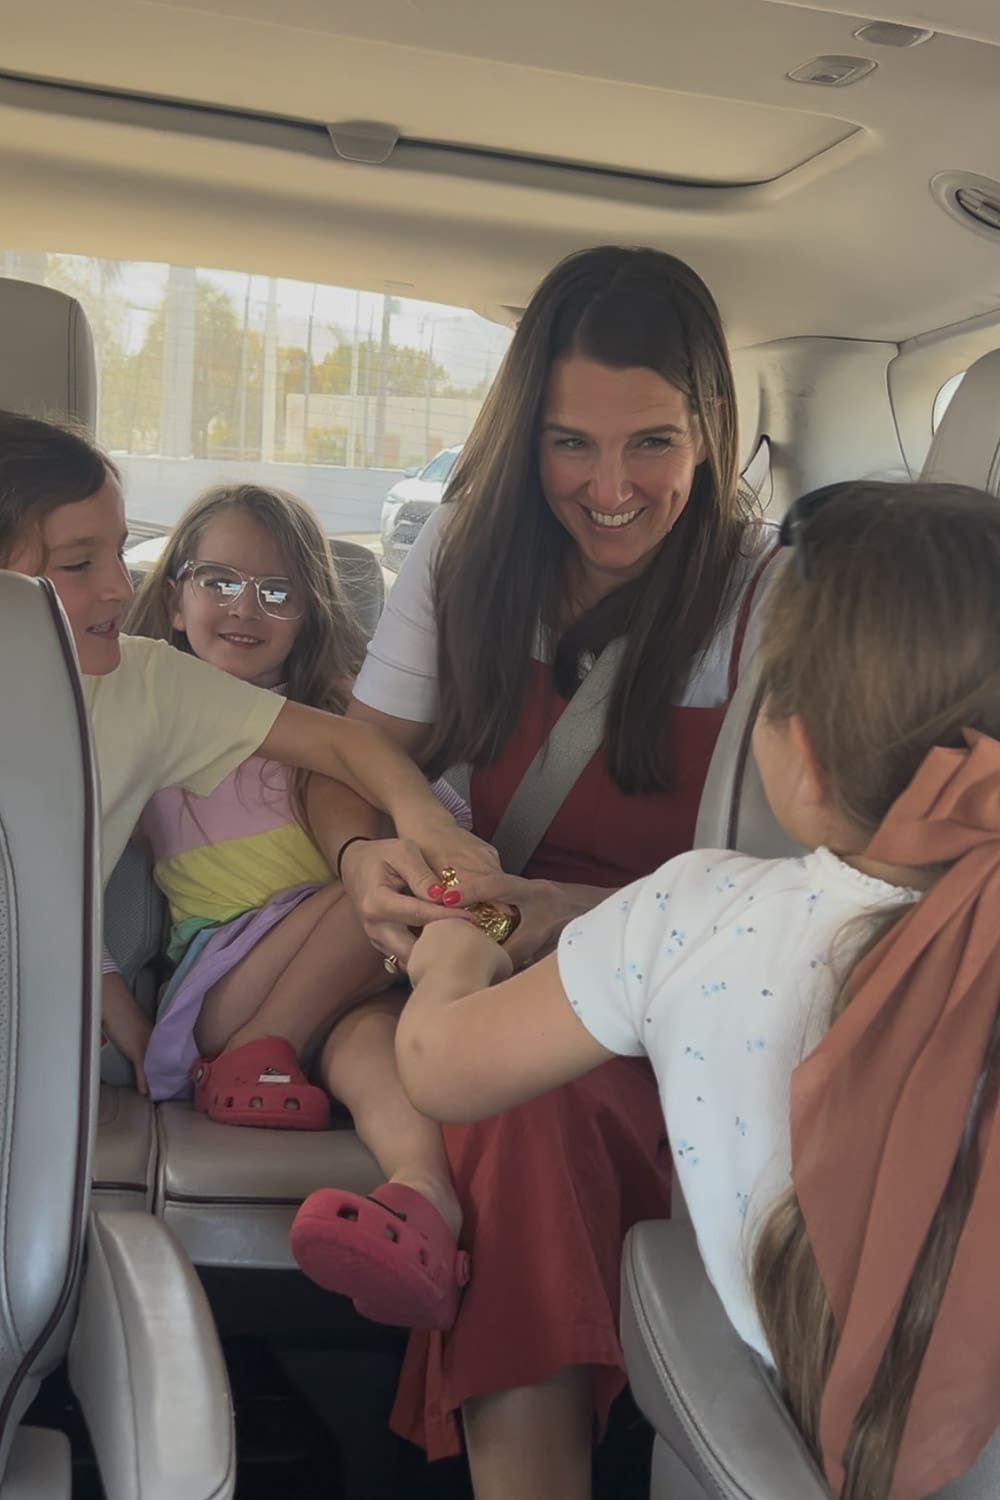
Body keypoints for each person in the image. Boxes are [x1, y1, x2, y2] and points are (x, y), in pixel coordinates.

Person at [394, 479, 1000, 1500]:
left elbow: (437, 1068)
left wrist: (453, 950)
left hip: (761, 1450)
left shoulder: (691, 913)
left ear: (794, 752)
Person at [290, 246, 781, 1496]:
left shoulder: (775, 590)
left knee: (516, 1104)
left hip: (676, 995)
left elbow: (807, 891)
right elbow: (349, 763)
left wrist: (589, 919)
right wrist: (364, 863)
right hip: (470, 947)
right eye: (571, 445)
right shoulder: (465, 550)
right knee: (455, 1070)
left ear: (715, 427)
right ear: (525, 434)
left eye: (653, 445)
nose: (610, 490)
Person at [0, 411, 498, 1095]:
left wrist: (427, 824)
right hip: (160, 995)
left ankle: (418, 1183)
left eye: (120, 553)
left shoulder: (145, 687)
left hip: (45, 1040)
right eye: (81, 564)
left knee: (390, 918)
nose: (120, 585)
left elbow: (342, 743)